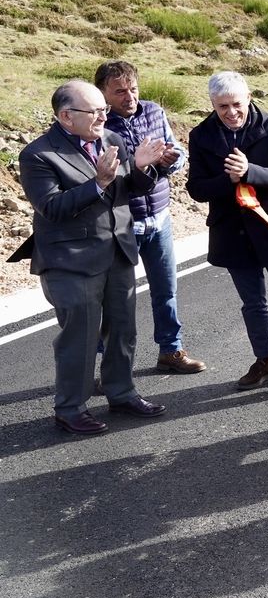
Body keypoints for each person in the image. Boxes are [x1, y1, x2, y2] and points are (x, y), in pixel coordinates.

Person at [14, 81, 169, 434]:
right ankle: (70, 408)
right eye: (95, 111)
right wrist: (98, 183)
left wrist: (143, 169)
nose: (104, 116)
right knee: (81, 336)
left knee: (123, 329)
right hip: (71, 260)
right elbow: (51, 208)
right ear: (66, 116)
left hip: (117, 250)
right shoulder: (39, 155)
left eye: (104, 109)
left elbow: (126, 189)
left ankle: (122, 391)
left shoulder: (110, 139)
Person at [187, 71, 268, 389]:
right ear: (212, 105)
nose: (231, 112)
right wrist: (228, 180)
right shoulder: (200, 135)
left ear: (248, 98)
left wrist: (250, 172)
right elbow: (196, 188)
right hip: (231, 230)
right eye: (222, 107)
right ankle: (264, 360)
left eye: (236, 104)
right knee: (253, 303)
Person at [94, 60, 205, 374]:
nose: (129, 97)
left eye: (133, 89)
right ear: (103, 94)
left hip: (160, 217)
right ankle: (105, 365)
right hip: (119, 224)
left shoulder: (155, 111)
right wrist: (141, 165)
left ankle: (171, 351)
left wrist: (170, 159)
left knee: (166, 288)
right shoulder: (98, 126)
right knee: (113, 300)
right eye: (119, 92)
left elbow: (178, 151)